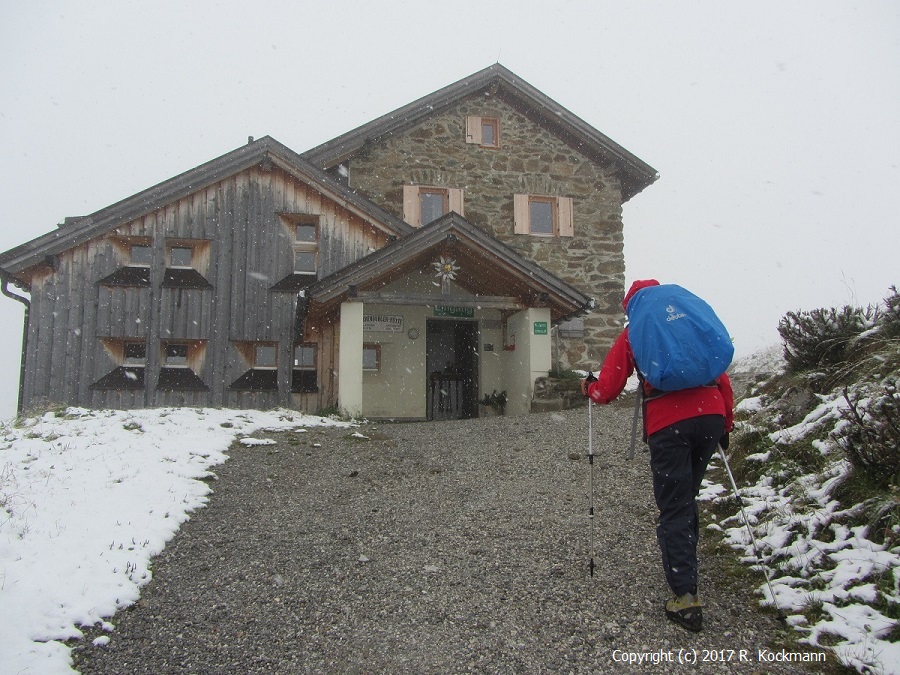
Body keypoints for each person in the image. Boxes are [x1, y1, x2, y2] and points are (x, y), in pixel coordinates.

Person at [581, 279, 734, 632]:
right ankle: (687, 567)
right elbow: (720, 377)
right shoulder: (685, 325)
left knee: (675, 506)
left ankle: (685, 596)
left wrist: (589, 387)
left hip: (670, 423)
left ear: (631, 305)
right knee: (687, 497)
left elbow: (608, 389)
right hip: (709, 415)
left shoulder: (638, 331)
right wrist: (725, 423)